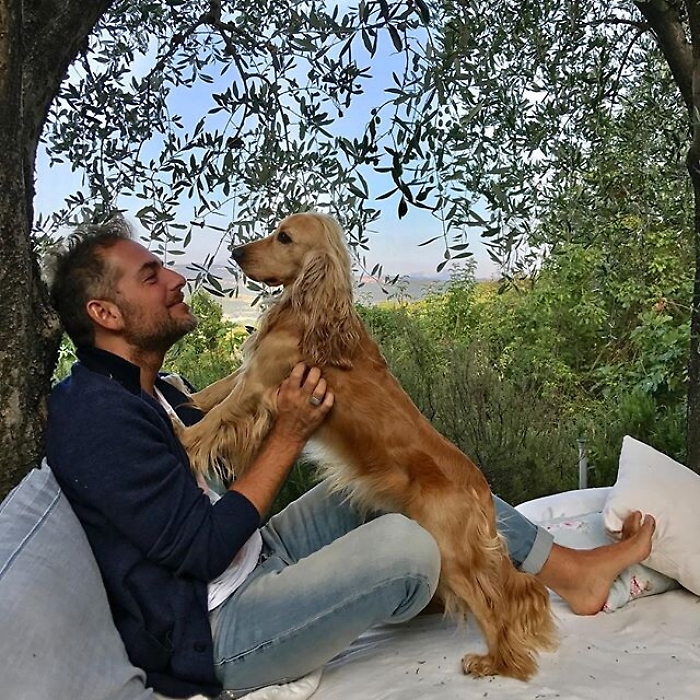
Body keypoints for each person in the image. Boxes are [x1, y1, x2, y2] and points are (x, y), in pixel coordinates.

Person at [45, 220, 655, 699]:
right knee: (409, 543)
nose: (176, 276)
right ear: (105, 313)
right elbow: (201, 547)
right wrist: (289, 432)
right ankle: (493, 583)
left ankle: (566, 571)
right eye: (152, 276)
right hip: (214, 628)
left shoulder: (143, 389)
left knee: (427, 479)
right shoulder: (97, 418)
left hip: (254, 554)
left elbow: (234, 411)